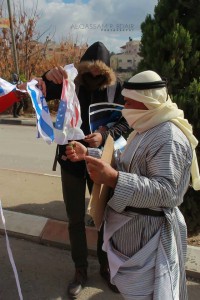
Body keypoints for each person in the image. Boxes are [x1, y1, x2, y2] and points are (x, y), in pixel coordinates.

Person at [65, 70, 200, 299]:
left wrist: (114, 179)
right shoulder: (146, 127)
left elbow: (168, 192)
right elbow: (124, 161)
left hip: (149, 238)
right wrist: (90, 153)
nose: (124, 105)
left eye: (128, 100)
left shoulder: (168, 136)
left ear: (146, 100)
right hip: (132, 234)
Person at [42, 41, 130, 297]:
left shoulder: (116, 88)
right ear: (82, 67)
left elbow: (126, 122)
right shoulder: (70, 82)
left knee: (103, 216)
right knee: (75, 218)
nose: (94, 75)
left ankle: (106, 267)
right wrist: (47, 76)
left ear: (107, 71)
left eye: (99, 71)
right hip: (70, 161)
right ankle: (80, 269)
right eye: (89, 69)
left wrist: (105, 136)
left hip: (98, 161)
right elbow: (40, 90)